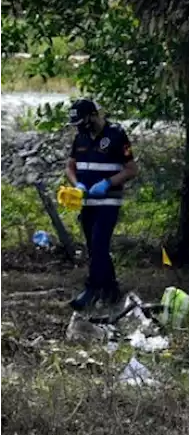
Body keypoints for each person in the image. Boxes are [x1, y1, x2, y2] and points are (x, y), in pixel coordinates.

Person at [64, 99, 138, 310]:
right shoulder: (81, 137)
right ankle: (111, 290)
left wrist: (108, 183)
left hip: (108, 200)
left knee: (98, 243)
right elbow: (70, 166)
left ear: (92, 116)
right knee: (95, 247)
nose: (79, 127)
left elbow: (131, 169)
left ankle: (92, 289)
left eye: (81, 121)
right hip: (88, 202)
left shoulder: (116, 135)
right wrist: (76, 184)